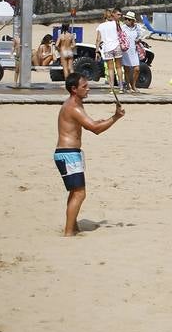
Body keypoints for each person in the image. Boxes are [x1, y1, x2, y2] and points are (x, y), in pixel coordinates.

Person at [54, 73, 125, 236]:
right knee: (80, 193)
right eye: (84, 86)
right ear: (74, 89)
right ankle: (68, 232)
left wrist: (102, 120)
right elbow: (95, 129)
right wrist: (115, 117)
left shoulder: (75, 104)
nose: (88, 89)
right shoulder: (74, 107)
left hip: (69, 153)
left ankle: (72, 226)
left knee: (75, 193)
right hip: (68, 154)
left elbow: (89, 124)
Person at [94, 8, 126, 93]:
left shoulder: (100, 26)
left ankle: (112, 88)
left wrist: (97, 51)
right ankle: (121, 87)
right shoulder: (116, 23)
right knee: (119, 67)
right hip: (116, 46)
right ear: (111, 15)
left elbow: (98, 39)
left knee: (110, 69)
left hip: (107, 48)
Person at [120, 11, 142, 93]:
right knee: (127, 69)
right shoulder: (123, 28)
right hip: (125, 51)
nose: (127, 21)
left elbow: (140, 36)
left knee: (137, 69)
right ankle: (128, 85)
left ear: (133, 20)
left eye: (129, 19)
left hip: (134, 50)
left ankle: (133, 85)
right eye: (126, 19)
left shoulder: (137, 27)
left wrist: (139, 40)